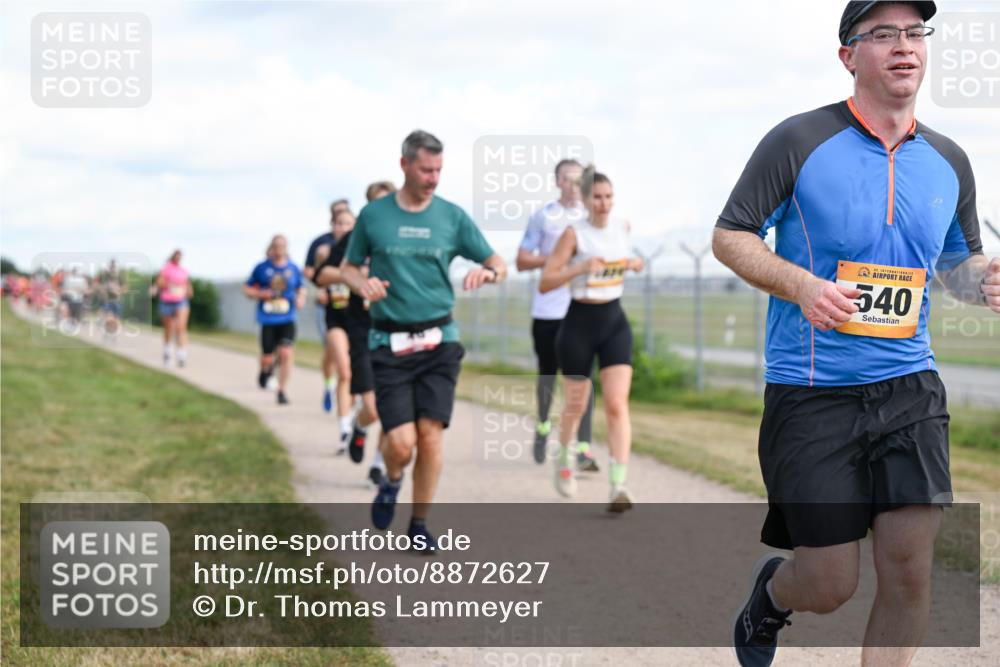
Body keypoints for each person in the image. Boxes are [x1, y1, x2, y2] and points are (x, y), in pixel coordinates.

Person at [713, 3, 1000, 666]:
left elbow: (957, 261)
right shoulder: (799, 141)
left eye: (914, 33)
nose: (905, 47)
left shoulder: (949, 160)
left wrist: (981, 281)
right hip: (812, 392)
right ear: (849, 55)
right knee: (830, 581)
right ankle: (773, 595)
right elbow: (731, 235)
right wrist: (803, 286)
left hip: (910, 388)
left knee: (909, 571)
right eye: (884, 35)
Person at [341, 130, 507, 553]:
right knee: (401, 443)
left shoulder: (451, 217)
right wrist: (363, 284)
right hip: (389, 343)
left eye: (438, 170)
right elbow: (348, 268)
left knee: (431, 435)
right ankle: (392, 480)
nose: (433, 178)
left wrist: (487, 273)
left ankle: (419, 523)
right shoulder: (374, 216)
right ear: (404, 165)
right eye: (425, 169)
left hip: (439, 341)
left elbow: (497, 261)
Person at [539, 166, 643, 512]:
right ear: (584, 200)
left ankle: (618, 485)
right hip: (578, 324)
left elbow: (623, 260)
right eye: (597, 197)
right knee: (576, 404)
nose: (604, 203)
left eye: (608, 196)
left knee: (616, 403)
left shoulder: (622, 227)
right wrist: (580, 268)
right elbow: (547, 281)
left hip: (614, 321)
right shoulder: (574, 234)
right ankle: (565, 460)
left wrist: (633, 263)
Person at [517, 158, 598, 470]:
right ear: (558, 182)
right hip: (548, 310)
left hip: (582, 309)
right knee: (548, 375)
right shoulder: (544, 217)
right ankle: (542, 427)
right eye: (568, 179)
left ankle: (584, 448)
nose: (574, 186)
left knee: (582, 380)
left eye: (579, 180)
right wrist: (557, 258)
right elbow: (522, 259)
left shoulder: (590, 217)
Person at [316, 180, 397, 484]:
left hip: (396, 331)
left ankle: (378, 463)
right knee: (374, 409)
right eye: (377, 204)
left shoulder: (405, 239)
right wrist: (355, 275)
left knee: (395, 409)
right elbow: (323, 275)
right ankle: (360, 427)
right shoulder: (355, 239)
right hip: (362, 332)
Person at [244, 235, 306, 405]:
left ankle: (282, 390)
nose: (279, 249)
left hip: (287, 317)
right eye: (276, 246)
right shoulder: (262, 268)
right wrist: (258, 294)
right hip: (268, 319)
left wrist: (301, 298)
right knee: (268, 358)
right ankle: (265, 371)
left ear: (286, 248)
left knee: (286, 353)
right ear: (271, 247)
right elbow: (247, 287)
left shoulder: (293, 268)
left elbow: (302, 287)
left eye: (282, 246)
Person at [304, 199, 352, 412]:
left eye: (346, 220)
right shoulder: (321, 244)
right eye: (338, 219)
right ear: (332, 220)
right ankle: (329, 385)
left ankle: (348, 390)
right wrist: (322, 289)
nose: (342, 225)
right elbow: (309, 271)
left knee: (349, 354)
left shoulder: (358, 244)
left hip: (352, 306)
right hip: (328, 306)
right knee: (332, 351)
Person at [156, 250, 193, 367]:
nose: (178, 259)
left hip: (181, 301)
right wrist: (171, 285)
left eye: (180, 257)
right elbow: (160, 282)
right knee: (169, 329)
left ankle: (181, 354)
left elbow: (187, 284)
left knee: (181, 328)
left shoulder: (183, 270)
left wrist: (188, 290)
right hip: (167, 301)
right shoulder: (166, 268)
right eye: (176, 256)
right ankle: (167, 352)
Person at [98, 259, 126, 340]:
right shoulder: (105, 276)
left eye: (114, 266)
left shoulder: (119, 276)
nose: (113, 267)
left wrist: (119, 292)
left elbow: (125, 286)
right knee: (108, 317)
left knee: (116, 319)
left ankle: (113, 334)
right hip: (108, 300)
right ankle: (107, 333)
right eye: (112, 266)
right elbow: (99, 285)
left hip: (117, 300)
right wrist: (103, 291)